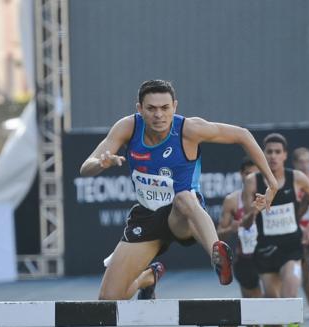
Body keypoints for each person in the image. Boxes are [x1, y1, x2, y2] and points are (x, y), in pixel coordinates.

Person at [80, 80, 279, 300]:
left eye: (165, 108)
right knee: (108, 299)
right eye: (151, 109)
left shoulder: (189, 129)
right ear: (139, 109)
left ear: (174, 106)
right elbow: (86, 168)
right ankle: (147, 278)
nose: (159, 115)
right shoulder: (128, 127)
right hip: (147, 216)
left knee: (183, 197)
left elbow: (243, 135)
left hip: (183, 216)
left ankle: (218, 254)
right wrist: (100, 164)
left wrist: (272, 182)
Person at [243, 133, 309, 327]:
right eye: (269, 152)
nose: (273, 156)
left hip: (290, 248)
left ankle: (294, 318)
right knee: (271, 304)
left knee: (289, 295)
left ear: (285, 155)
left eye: (278, 152)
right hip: (265, 250)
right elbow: (245, 223)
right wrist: (254, 210)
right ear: (262, 155)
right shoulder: (252, 181)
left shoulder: (296, 178)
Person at [218, 158, 266, 327]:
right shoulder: (231, 201)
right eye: (247, 174)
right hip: (245, 258)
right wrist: (234, 227)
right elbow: (219, 232)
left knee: (274, 299)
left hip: (268, 256)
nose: (250, 179)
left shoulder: (270, 198)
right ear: (241, 176)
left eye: (254, 175)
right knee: (251, 311)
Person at [291, 147, 309, 318]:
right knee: (306, 271)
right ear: (294, 163)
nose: (305, 165)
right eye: (301, 161)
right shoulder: (292, 184)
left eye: (307, 161)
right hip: (300, 231)